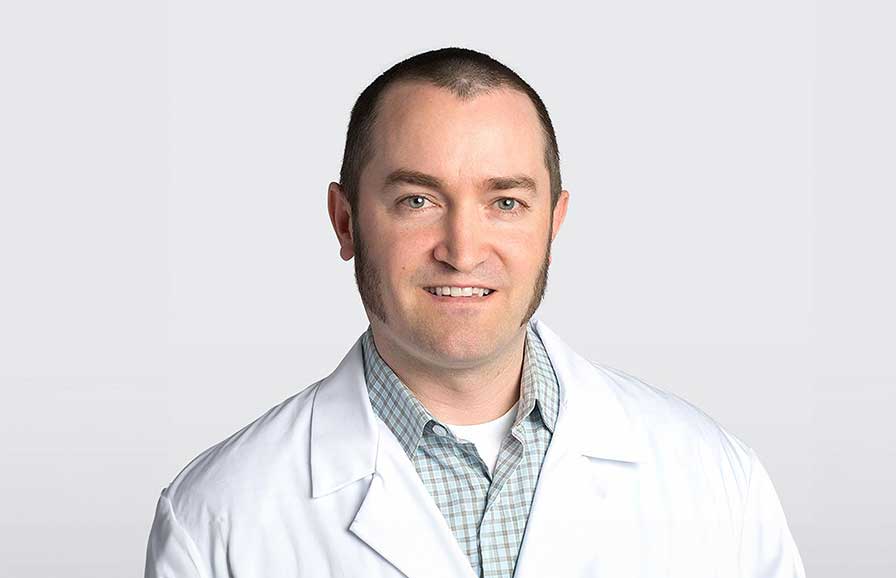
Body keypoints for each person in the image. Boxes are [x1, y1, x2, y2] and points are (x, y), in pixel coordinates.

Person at [145, 47, 806, 578]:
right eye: (417, 201)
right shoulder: (218, 515)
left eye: (505, 203)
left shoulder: (715, 479)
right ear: (345, 221)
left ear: (553, 223)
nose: (462, 251)